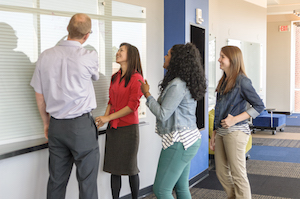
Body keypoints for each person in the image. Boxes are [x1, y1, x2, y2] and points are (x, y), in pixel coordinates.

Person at [30, 13, 100, 199]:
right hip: (81, 127)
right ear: (87, 36)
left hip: (56, 126)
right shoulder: (89, 56)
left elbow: (39, 95)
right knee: (87, 184)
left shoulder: (45, 56)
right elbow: (95, 77)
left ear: (67, 30)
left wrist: (47, 123)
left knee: (56, 181)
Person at [139, 43, 207, 199]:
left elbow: (163, 114)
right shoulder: (183, 82)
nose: (165, 56)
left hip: (180, 142)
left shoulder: (177, 85)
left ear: (177, 60)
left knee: (161, 190)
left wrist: (147, 94)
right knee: (181, 188)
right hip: (188, 140)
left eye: (168, 54)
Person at [210, 46, 265, 199]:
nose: (219, 60)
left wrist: (235, 119)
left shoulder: (243, 81)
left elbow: (259, 106)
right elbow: (218, 108)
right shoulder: (223, 81)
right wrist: (214, 132)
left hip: (236, 132)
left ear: (232, 60)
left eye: (222, 57)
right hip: (221, 132)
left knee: (238, 174)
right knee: (221, 172)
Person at [95, 43, 144, 199]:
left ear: (130, 56)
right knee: (114, 169)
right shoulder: (115, 77)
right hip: (114, 128)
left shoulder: (137, 78)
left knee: (130, 169)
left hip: (129, 129)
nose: (117, 52)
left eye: (121, 51)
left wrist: (108, 118)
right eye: (118, 50)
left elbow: (131, 107)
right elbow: (111, 101)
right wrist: (104, 118)